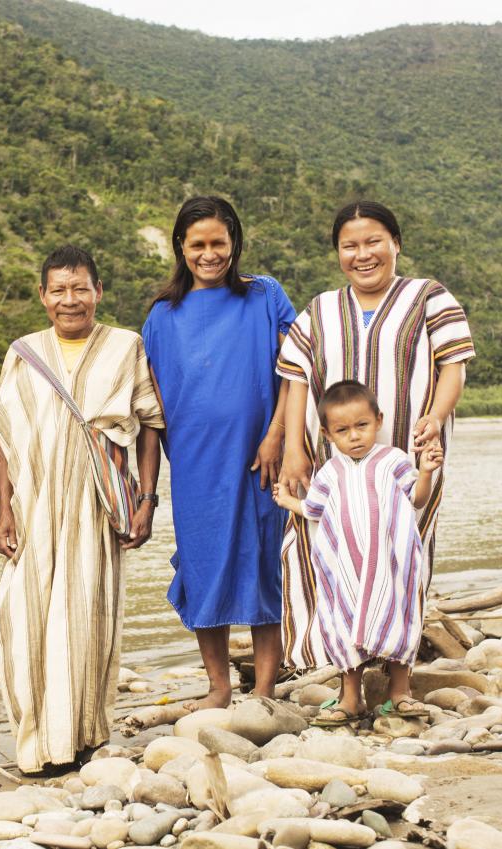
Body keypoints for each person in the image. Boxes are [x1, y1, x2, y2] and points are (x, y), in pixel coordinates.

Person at [277, 200, 475, 683]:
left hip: (409, 454)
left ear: (395, 245)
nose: (362, 254)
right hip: (332, 462)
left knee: (403, 555)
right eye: (350, 246)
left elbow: (454, 364)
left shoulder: (430, 297)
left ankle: (397, 678)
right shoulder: (320, 309)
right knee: (328, 550)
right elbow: (296, 380)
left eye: (373, 242)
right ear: (338, 253)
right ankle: (344, 671)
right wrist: (292, 449)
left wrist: (435, 414)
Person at [0, 245, 165, 774]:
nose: (71, 300)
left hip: (97, 505)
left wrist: (147, 500)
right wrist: (4, 509)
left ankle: (85, 737)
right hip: (36, 504)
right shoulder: (24, 352)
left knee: (90, 615)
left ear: (98, 292)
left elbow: (151, 423)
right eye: (59, 290)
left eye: (80, 288)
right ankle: (37, 741)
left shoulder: (124, 346)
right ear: (43, 296)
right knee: (18, 617)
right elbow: (3, 432)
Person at [141, 196, 297, 709]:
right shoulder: (163, 315)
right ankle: (219, 687)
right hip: (193, 463)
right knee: (203, 562)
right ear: (181, 248)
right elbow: (152, 399)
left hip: (260, 458)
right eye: (198, 245)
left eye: (219, 243)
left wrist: (276, 435)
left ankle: (267, 690)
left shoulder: (265, 295)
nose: (210, 254)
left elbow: (296, 370)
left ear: (234, 244)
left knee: (261, 563)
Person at [272, 380, 443, 724]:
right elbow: (315, 510)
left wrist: (425, 472)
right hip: (346, 568)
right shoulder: (329, 472)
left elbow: (417, 499)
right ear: (327, 434)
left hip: (390, 565)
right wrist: (289, 501)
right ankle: (351, 697)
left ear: (378, 420)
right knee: (344, 623)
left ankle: (399, 694)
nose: (354, 436)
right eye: (343, 430)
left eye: (362, 426)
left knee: (396, 618)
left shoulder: (393, 460)